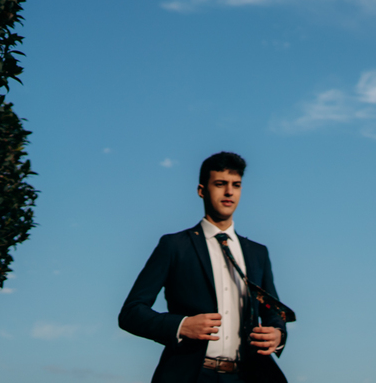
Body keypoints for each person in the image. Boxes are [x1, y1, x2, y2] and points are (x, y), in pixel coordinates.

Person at [120, 152, 289, 383]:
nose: (229, 192)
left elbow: (272, 311)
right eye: (220, 184)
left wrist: (277, 334)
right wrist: (181, 325)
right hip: (191, 375)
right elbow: (131, 312)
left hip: (249, 377)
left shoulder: (258, 253)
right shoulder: (174, 246)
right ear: (201, 190)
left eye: (236, 185)